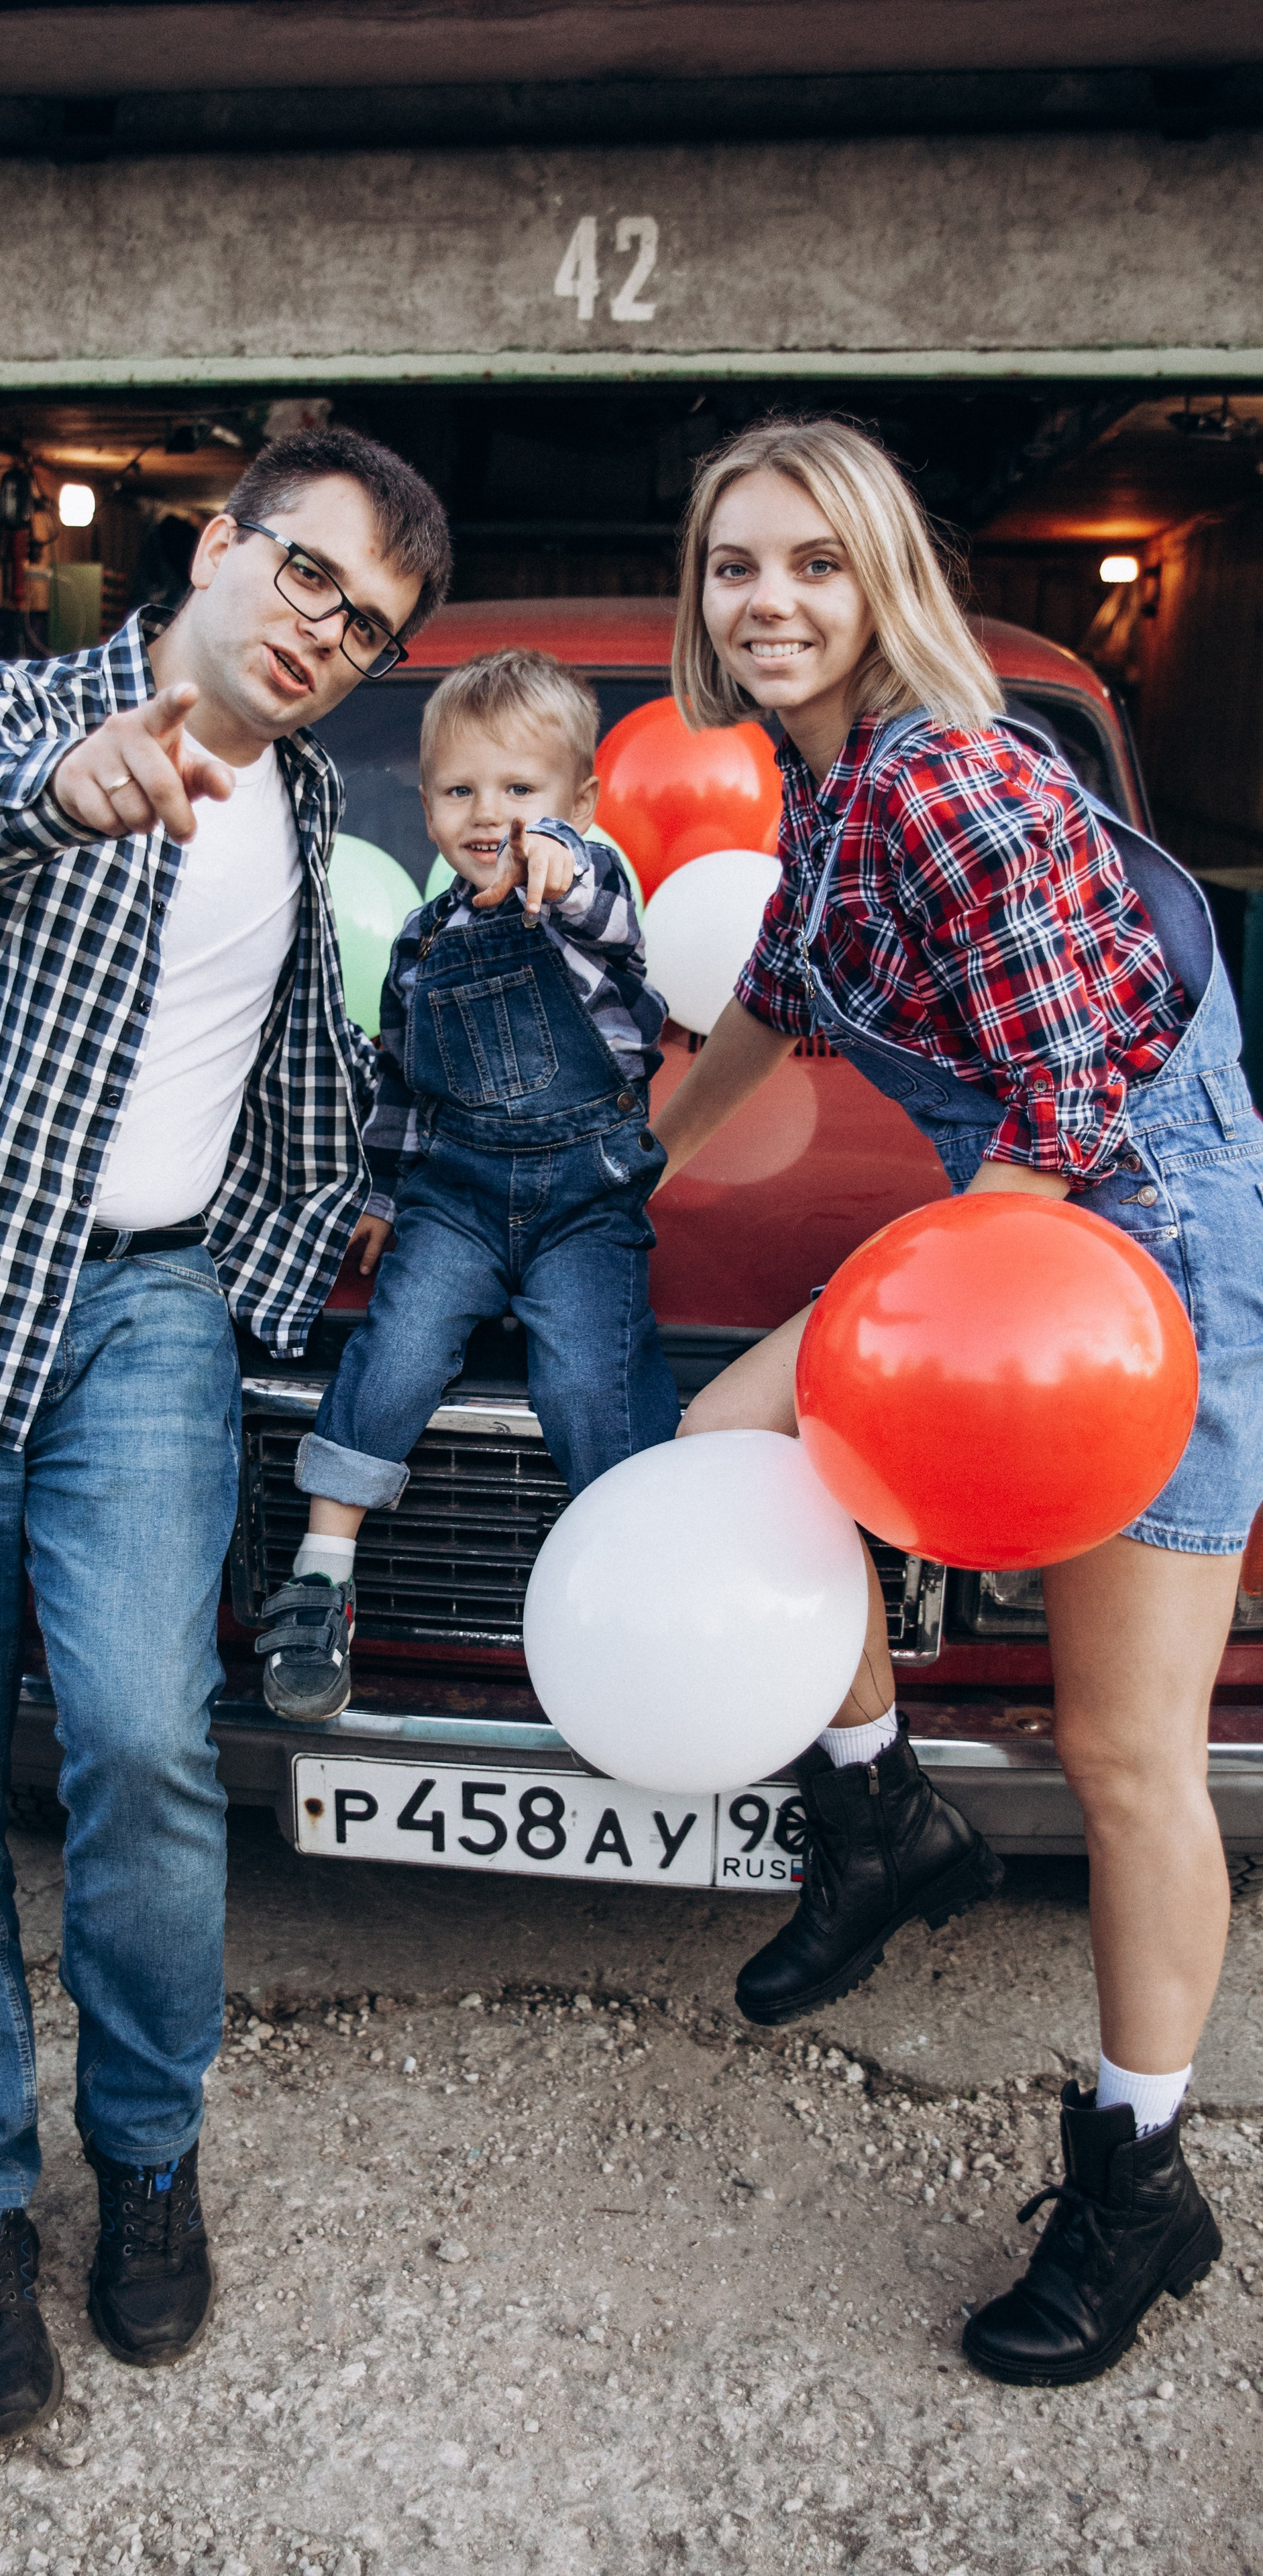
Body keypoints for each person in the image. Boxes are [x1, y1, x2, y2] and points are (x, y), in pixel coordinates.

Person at [0, 427, 451, 2444]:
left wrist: (253, 1271)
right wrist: (67, 793)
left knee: (152, 1741)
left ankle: (148, 2153)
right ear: (224, 545)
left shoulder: (319, 807)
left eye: (377, 624)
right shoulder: (19, 714)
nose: (335, 635)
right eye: (314, 580)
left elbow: (302, 1087)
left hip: (146, 1315)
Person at [651, 415, 1263, 2388]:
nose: (771, 601)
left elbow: (1079, 1103)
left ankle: (1140, 2180)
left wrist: (923, 1341)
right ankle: (878, 1810)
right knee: (724, 1448)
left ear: (883, 581)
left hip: (1141, 1252)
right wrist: (635, 1150)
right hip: (1026, 1231)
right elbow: (780, 1001)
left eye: (815, 565)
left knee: (1124, 1757)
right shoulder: (826, 796)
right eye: (739, 564)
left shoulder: (951, 776)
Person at [258, 648, 681, 1723]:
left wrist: (561, 864)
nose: (488, 813)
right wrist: (385, 1198)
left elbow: (605, 908)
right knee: (394, 1350)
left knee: (592, 1382)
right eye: (460, 790)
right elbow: (402, 1086)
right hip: (454, 1194)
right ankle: (322, 1576)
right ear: (428, 807)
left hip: (585, 1198)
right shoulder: (418, 940)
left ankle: (627, 1594)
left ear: (578, 803)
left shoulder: (586, 897)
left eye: (520, 790)